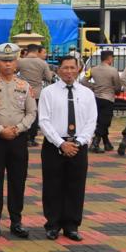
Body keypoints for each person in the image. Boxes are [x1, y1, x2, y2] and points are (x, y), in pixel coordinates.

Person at [0, 43, 36, 239]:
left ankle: (16, 221)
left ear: (16, 62)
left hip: (18, 138)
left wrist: (18, 129)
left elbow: (31, 112)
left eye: (11, 60)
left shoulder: (24, 86)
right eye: (4, 60)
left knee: (17, 180)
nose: (8, 64)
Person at [38, 55, 97, 240]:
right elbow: (44, 121)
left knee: (76, 186)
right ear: (58, 70)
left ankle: (72, 225)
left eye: (73, 67)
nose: (69, 71)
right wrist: (61, 143)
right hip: (54, 145)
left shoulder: (87, 93)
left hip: (78, 145)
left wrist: (78, 142)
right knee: (52, 185)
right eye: (65, 67)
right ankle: (52, 224)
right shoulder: (48, 92)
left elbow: (91, 121)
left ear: (78, 69)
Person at [82, 49, 119, 153]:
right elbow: (117, 87)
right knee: (105, 122)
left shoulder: (93, 69)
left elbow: (83, 81)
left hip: (96, 98)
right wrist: (113, 89)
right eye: (112, 58)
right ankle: (95, 142)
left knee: (101, 121)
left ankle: (107, 143)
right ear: (109, 58)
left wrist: (93, 86)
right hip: (108, 98)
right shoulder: (113, 70)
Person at [17, 44, 53, 146]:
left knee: (22, 114)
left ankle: (23, 135)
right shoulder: (42, 63)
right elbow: (49, 78)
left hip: (22, 92)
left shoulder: (20, 62)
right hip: (36, 93)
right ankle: (31, 138)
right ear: (37, 51)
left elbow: (13, 73)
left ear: (28, 51)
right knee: (34, 115)